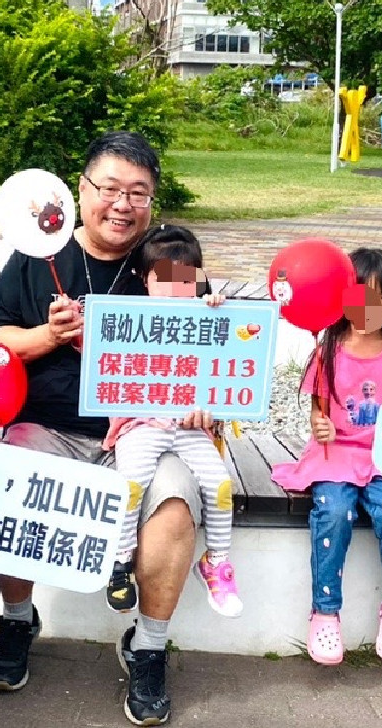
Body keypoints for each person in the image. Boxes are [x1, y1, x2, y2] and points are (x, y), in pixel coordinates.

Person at [0, 131, 210, 726]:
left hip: (143, 431)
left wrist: (205, 392)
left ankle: (149, 647)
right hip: (48, 426)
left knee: (177, 506)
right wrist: (50, 336)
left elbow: (209, 344)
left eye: (138, 192)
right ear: (82, 190)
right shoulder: (35, 258)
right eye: (109, 188)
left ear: (153, 202)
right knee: (8, 480)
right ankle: (16, 620)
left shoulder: (166, 260)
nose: (122, 204)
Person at [271, 248, 382, 667]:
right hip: (335, 457)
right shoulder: (329, 349)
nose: (372, 308)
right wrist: (320, 423)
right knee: (333, 511)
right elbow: (318, 408)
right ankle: (325, 612)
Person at [102, 224, 241, 618]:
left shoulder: (207, 314)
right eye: (163, 277)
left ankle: (216, 561)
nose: (176, 286)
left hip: (189, 427)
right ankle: (120, 560)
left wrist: (219, 307)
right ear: (144, 281)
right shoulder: (128, 319)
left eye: (186, 278)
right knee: (131, 483)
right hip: (141, 425)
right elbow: (99, 355)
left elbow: (230, 364)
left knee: (220, 485)